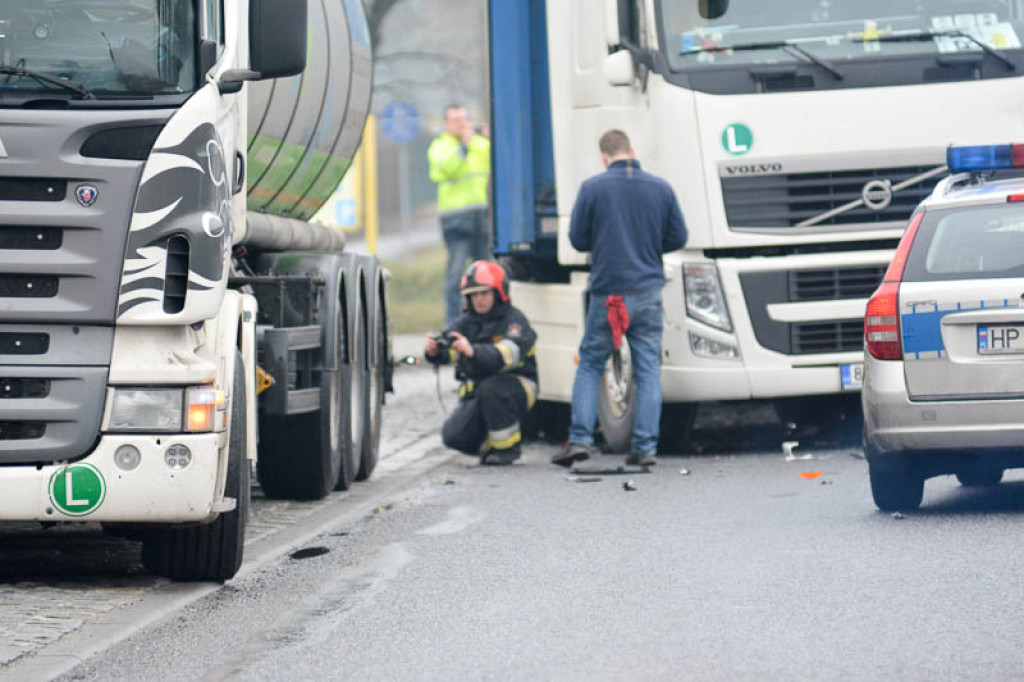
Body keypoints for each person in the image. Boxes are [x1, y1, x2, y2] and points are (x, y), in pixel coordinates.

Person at [552, 130, 687, 468]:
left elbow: (579, 239)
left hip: (609, 295)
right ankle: (645, 448)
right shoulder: (661, 188)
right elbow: (678, 236)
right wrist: (647, 247)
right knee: (647, 370)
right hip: (648, 291)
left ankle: (580, 439)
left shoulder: (592, 189)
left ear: (603, 156)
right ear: (632, 151)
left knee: (591, 364)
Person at [425, 260, 538, 465]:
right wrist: (435, 351)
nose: (479, 300)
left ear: (498, 293)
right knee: (453, 436)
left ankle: (507, 449)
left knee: (492, 389)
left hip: (517, 386)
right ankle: (488, 442)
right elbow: (451, 348)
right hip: (481, 390)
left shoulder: (514, 322)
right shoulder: (468, 321)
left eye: (485, 293)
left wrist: (472, 351)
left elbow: (504, 357)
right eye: (474, 294)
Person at [428, 105, 492, 327]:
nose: (461, 124)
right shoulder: (440, 147)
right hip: (456, 221)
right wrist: (464, 146)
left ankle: (487, 323)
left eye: (464, 119)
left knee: (487, 273)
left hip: (481, 217)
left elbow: (494, 161)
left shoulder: (479, 144)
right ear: (446, 123)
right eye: (455, 120)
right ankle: (453, 324)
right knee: (455, 275)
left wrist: (484, 138)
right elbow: (449, 169)